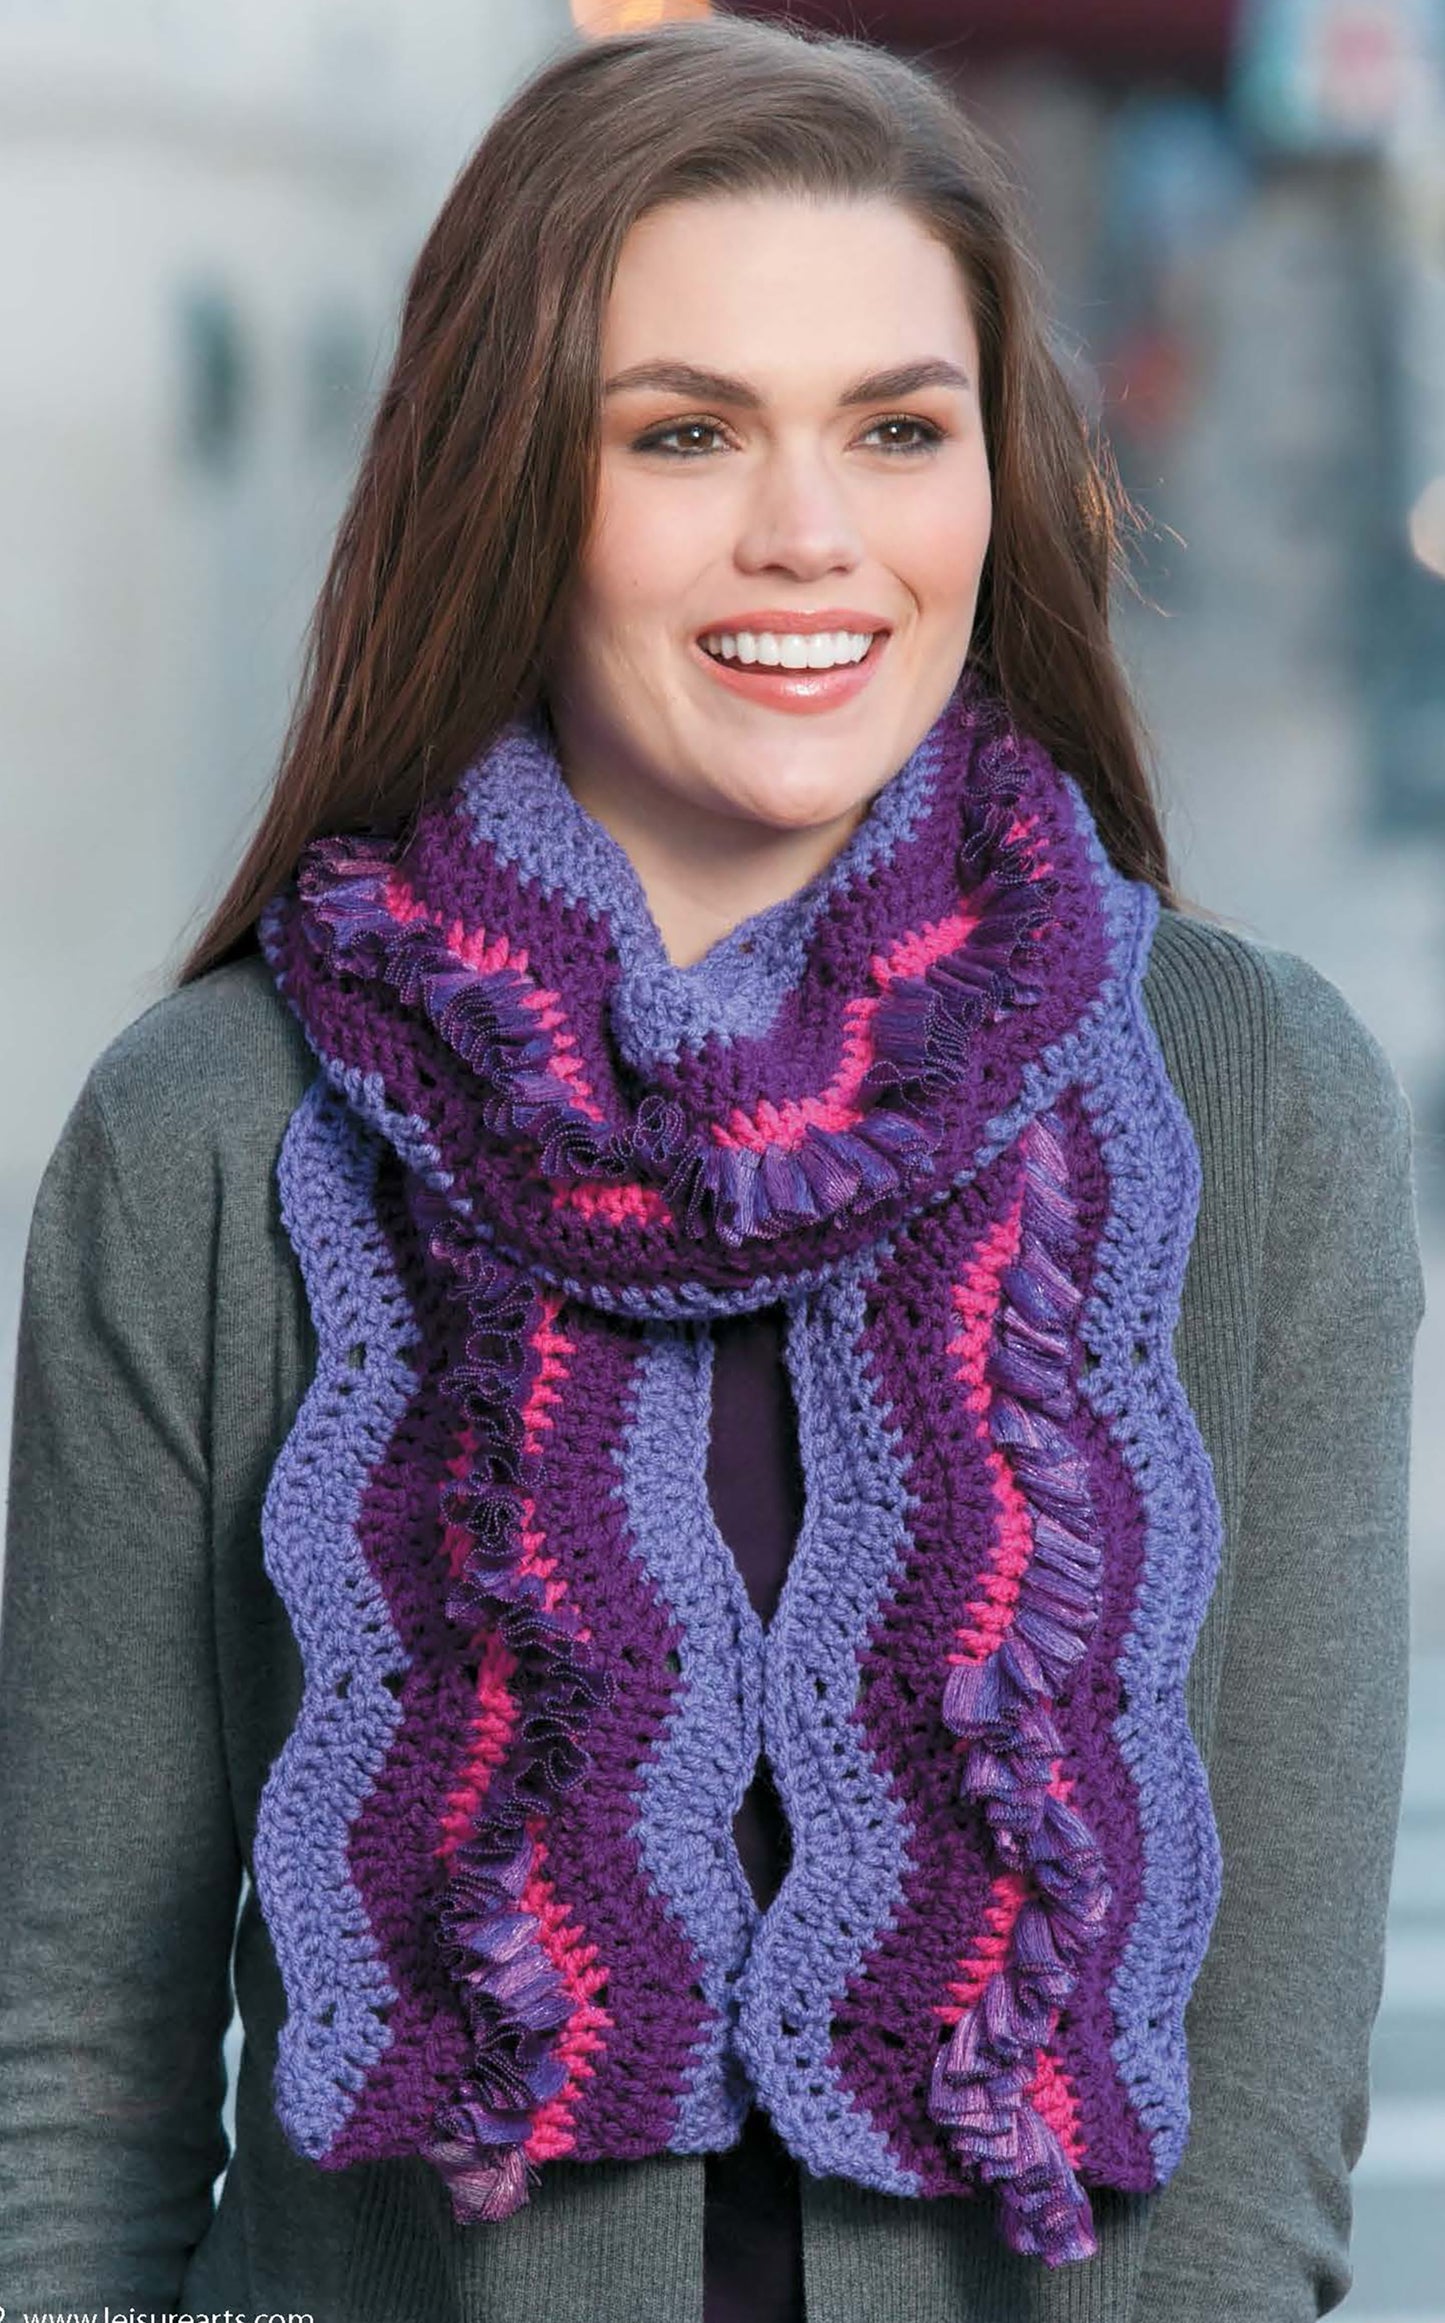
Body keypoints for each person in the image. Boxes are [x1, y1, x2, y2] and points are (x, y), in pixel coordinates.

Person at [0, 18, 1427, 2322]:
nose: (812, 535)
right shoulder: (216, 1129)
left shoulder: (1258, 1107)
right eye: (684, 432)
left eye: (899, 428)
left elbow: (1260, 2120)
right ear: (508, 486)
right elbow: (74, 2078)